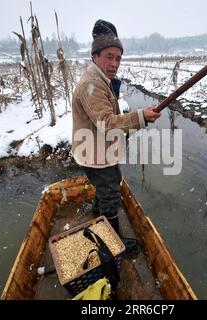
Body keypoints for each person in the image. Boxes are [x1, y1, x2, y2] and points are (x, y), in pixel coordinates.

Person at [72, 19, 161, 239]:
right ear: (95, 56)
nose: (114, 63)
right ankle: (113, 240)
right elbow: (107, 122)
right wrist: (141, 117)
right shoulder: (90, 84)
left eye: (118, 58)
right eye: (109, 57)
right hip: (94, 152)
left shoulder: (101, 79)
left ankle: (96, 213)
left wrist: (132, 126)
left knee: (109, 185)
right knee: (111, 194)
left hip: (101, 148)